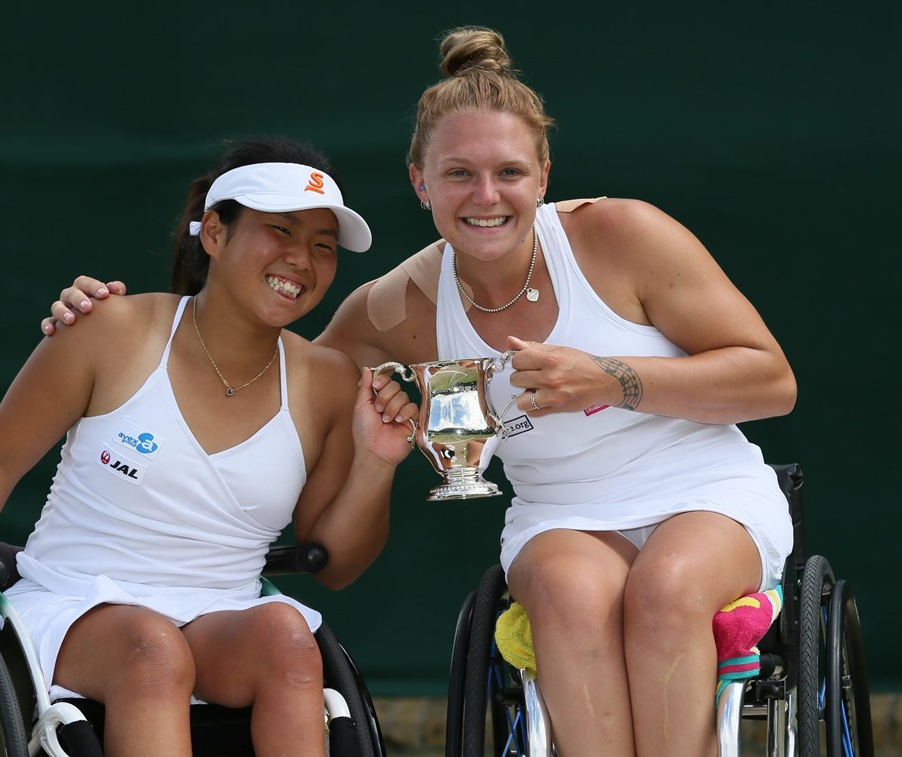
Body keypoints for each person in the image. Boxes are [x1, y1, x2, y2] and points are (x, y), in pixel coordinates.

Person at [41, 27, 798, 757]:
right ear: (420, 182)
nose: (486, 195)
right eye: (459, 173)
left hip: (702, 493)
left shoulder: (624, 235)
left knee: (663, 592)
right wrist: (110, 325)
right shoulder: (398, 306)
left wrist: (613, 379)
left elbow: (772, 380)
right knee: (568, 599)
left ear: (543, 177)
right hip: (561, 515)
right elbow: (262, 352)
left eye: (508, 172)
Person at [0, 137, 416, 757]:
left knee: (288, 638)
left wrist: (377, 464)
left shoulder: (329, 380)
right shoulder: (109, 328)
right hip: (75, 599)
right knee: (153, 652)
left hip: (225, 612)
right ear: (214, 234)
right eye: (280, 231)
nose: (301, 259)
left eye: (322, 246)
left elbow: (336, 564)